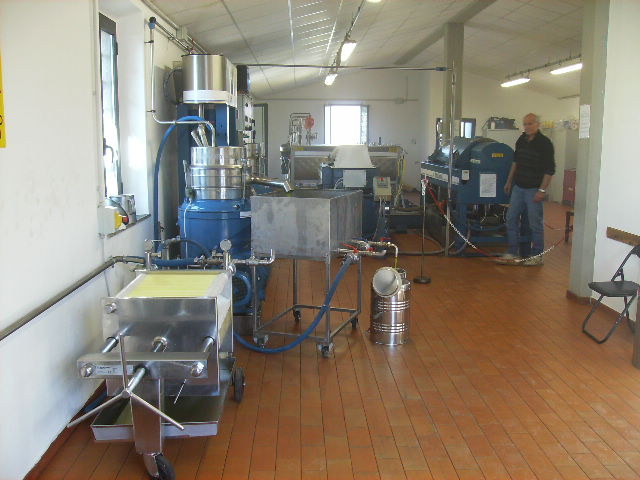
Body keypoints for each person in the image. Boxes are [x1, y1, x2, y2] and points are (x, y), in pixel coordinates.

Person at [497, 113, 555, 266]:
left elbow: (550, 170)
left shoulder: (545, 143)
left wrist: (541, 191)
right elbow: (515, 163)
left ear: (537, 124)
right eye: (525, 124)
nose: (527, 127)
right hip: (518, 187)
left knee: (535, 224)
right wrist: (509, 181)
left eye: (530, 123)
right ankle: (512, 252)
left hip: (534, 189)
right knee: (511, 219)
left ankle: (537, 255)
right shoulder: (521, 140)